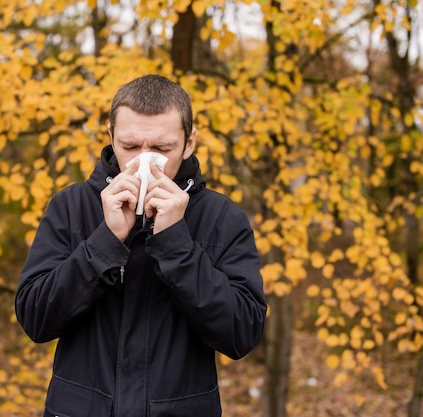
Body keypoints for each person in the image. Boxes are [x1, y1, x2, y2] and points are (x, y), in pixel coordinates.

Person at [15, 74, 267, 417]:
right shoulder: (71, 206)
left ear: (189, 142)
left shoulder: (222, 217)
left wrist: (178, 245)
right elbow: (35, 318)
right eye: (130, 147)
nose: (144, 162)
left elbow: (242, 333)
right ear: (110, 137)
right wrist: (104, 242)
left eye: (162, 149)